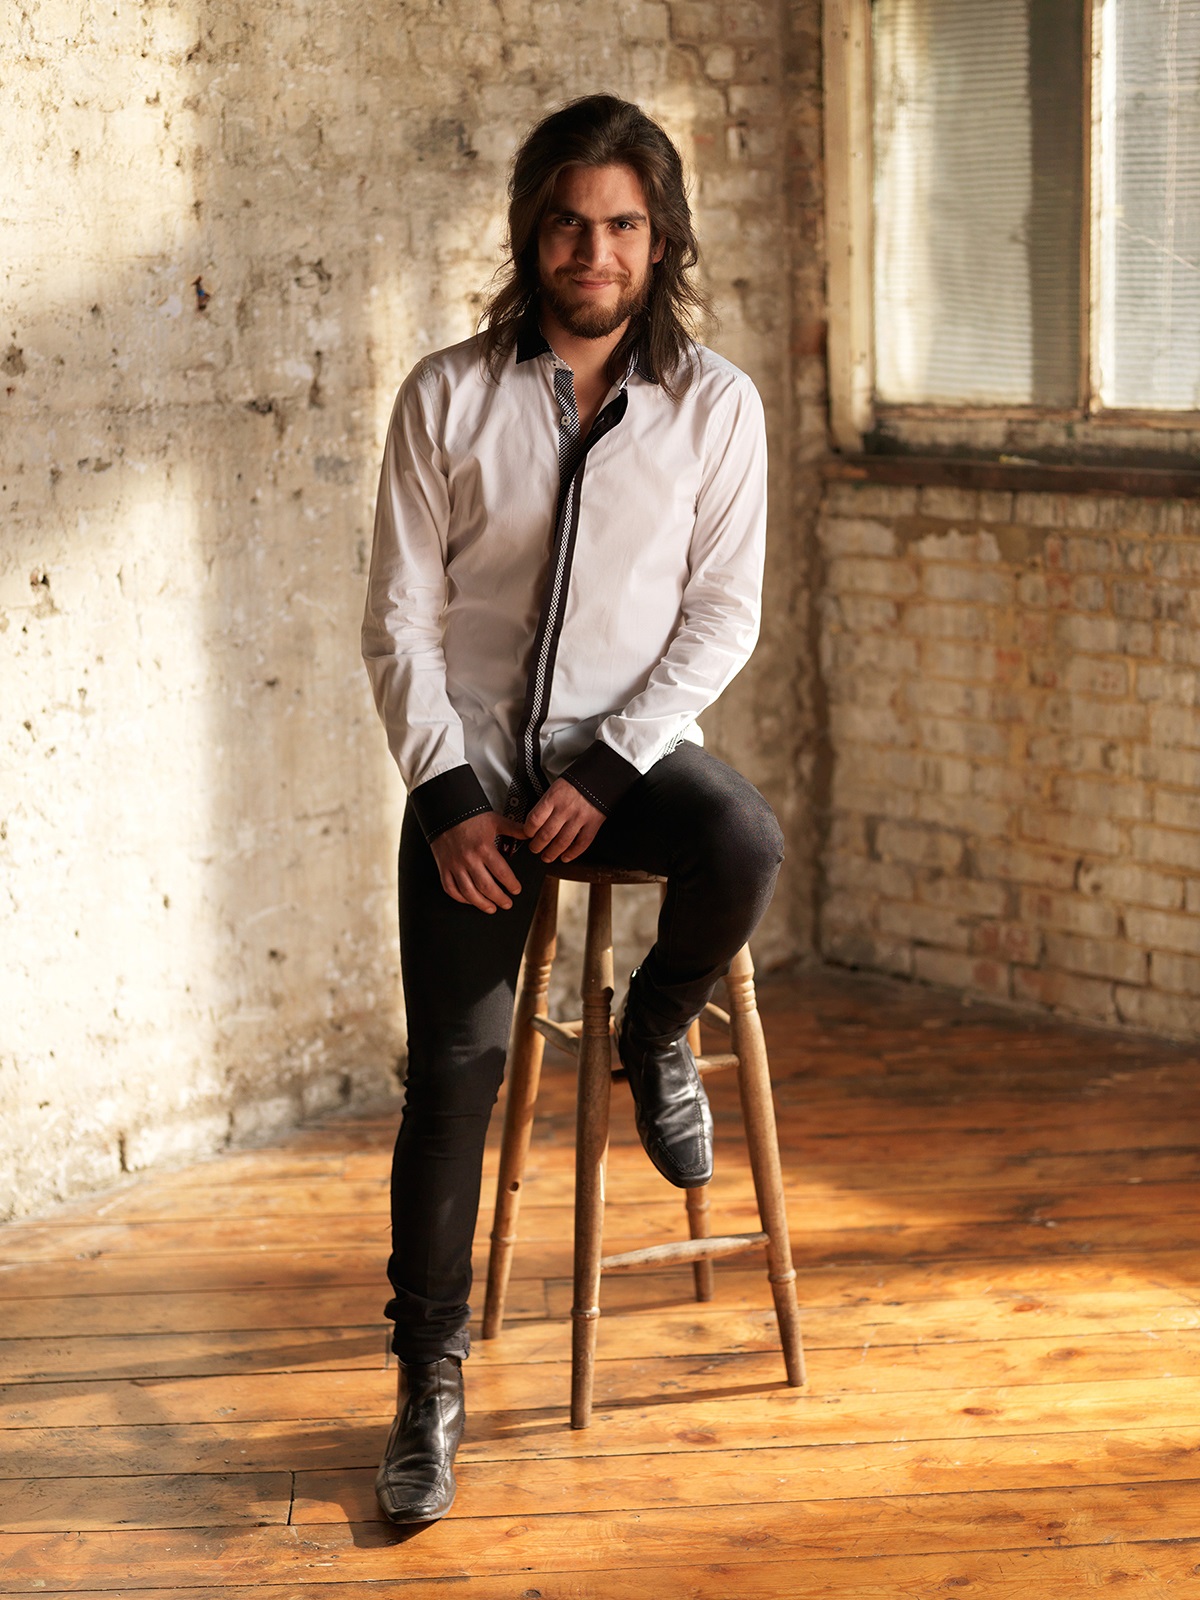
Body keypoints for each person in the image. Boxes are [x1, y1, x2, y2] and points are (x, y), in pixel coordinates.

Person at [361, 92, 784, 1524]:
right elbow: (399, 619)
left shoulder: (716, 406)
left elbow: (721, 616)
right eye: (567, 223)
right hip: (475, 778)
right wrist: (447, 801)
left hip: (628, 764)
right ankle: (428, 1384)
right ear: (530, 231)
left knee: (743, 839)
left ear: (660, 239)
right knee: (453, 1076)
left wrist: (608, 769)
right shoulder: (445, 396)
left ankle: (651, 1028)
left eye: (620, 225)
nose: (592, 251)